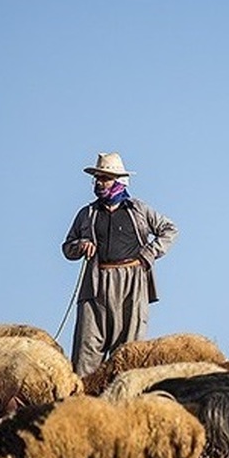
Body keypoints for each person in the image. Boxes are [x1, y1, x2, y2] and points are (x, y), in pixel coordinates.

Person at [61, 152, 179, 377]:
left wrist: (149, 254)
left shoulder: (138, 210)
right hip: (96, 284)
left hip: (132, 281)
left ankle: (122, 405)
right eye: (97, 178)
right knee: (86, 350)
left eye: (104, 178)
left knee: (128, 351)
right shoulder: (87, 213)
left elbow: (169, 230)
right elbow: (67, 247)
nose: (99, 183)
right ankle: (82, 403)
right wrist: (81, 245)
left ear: (118, 180)